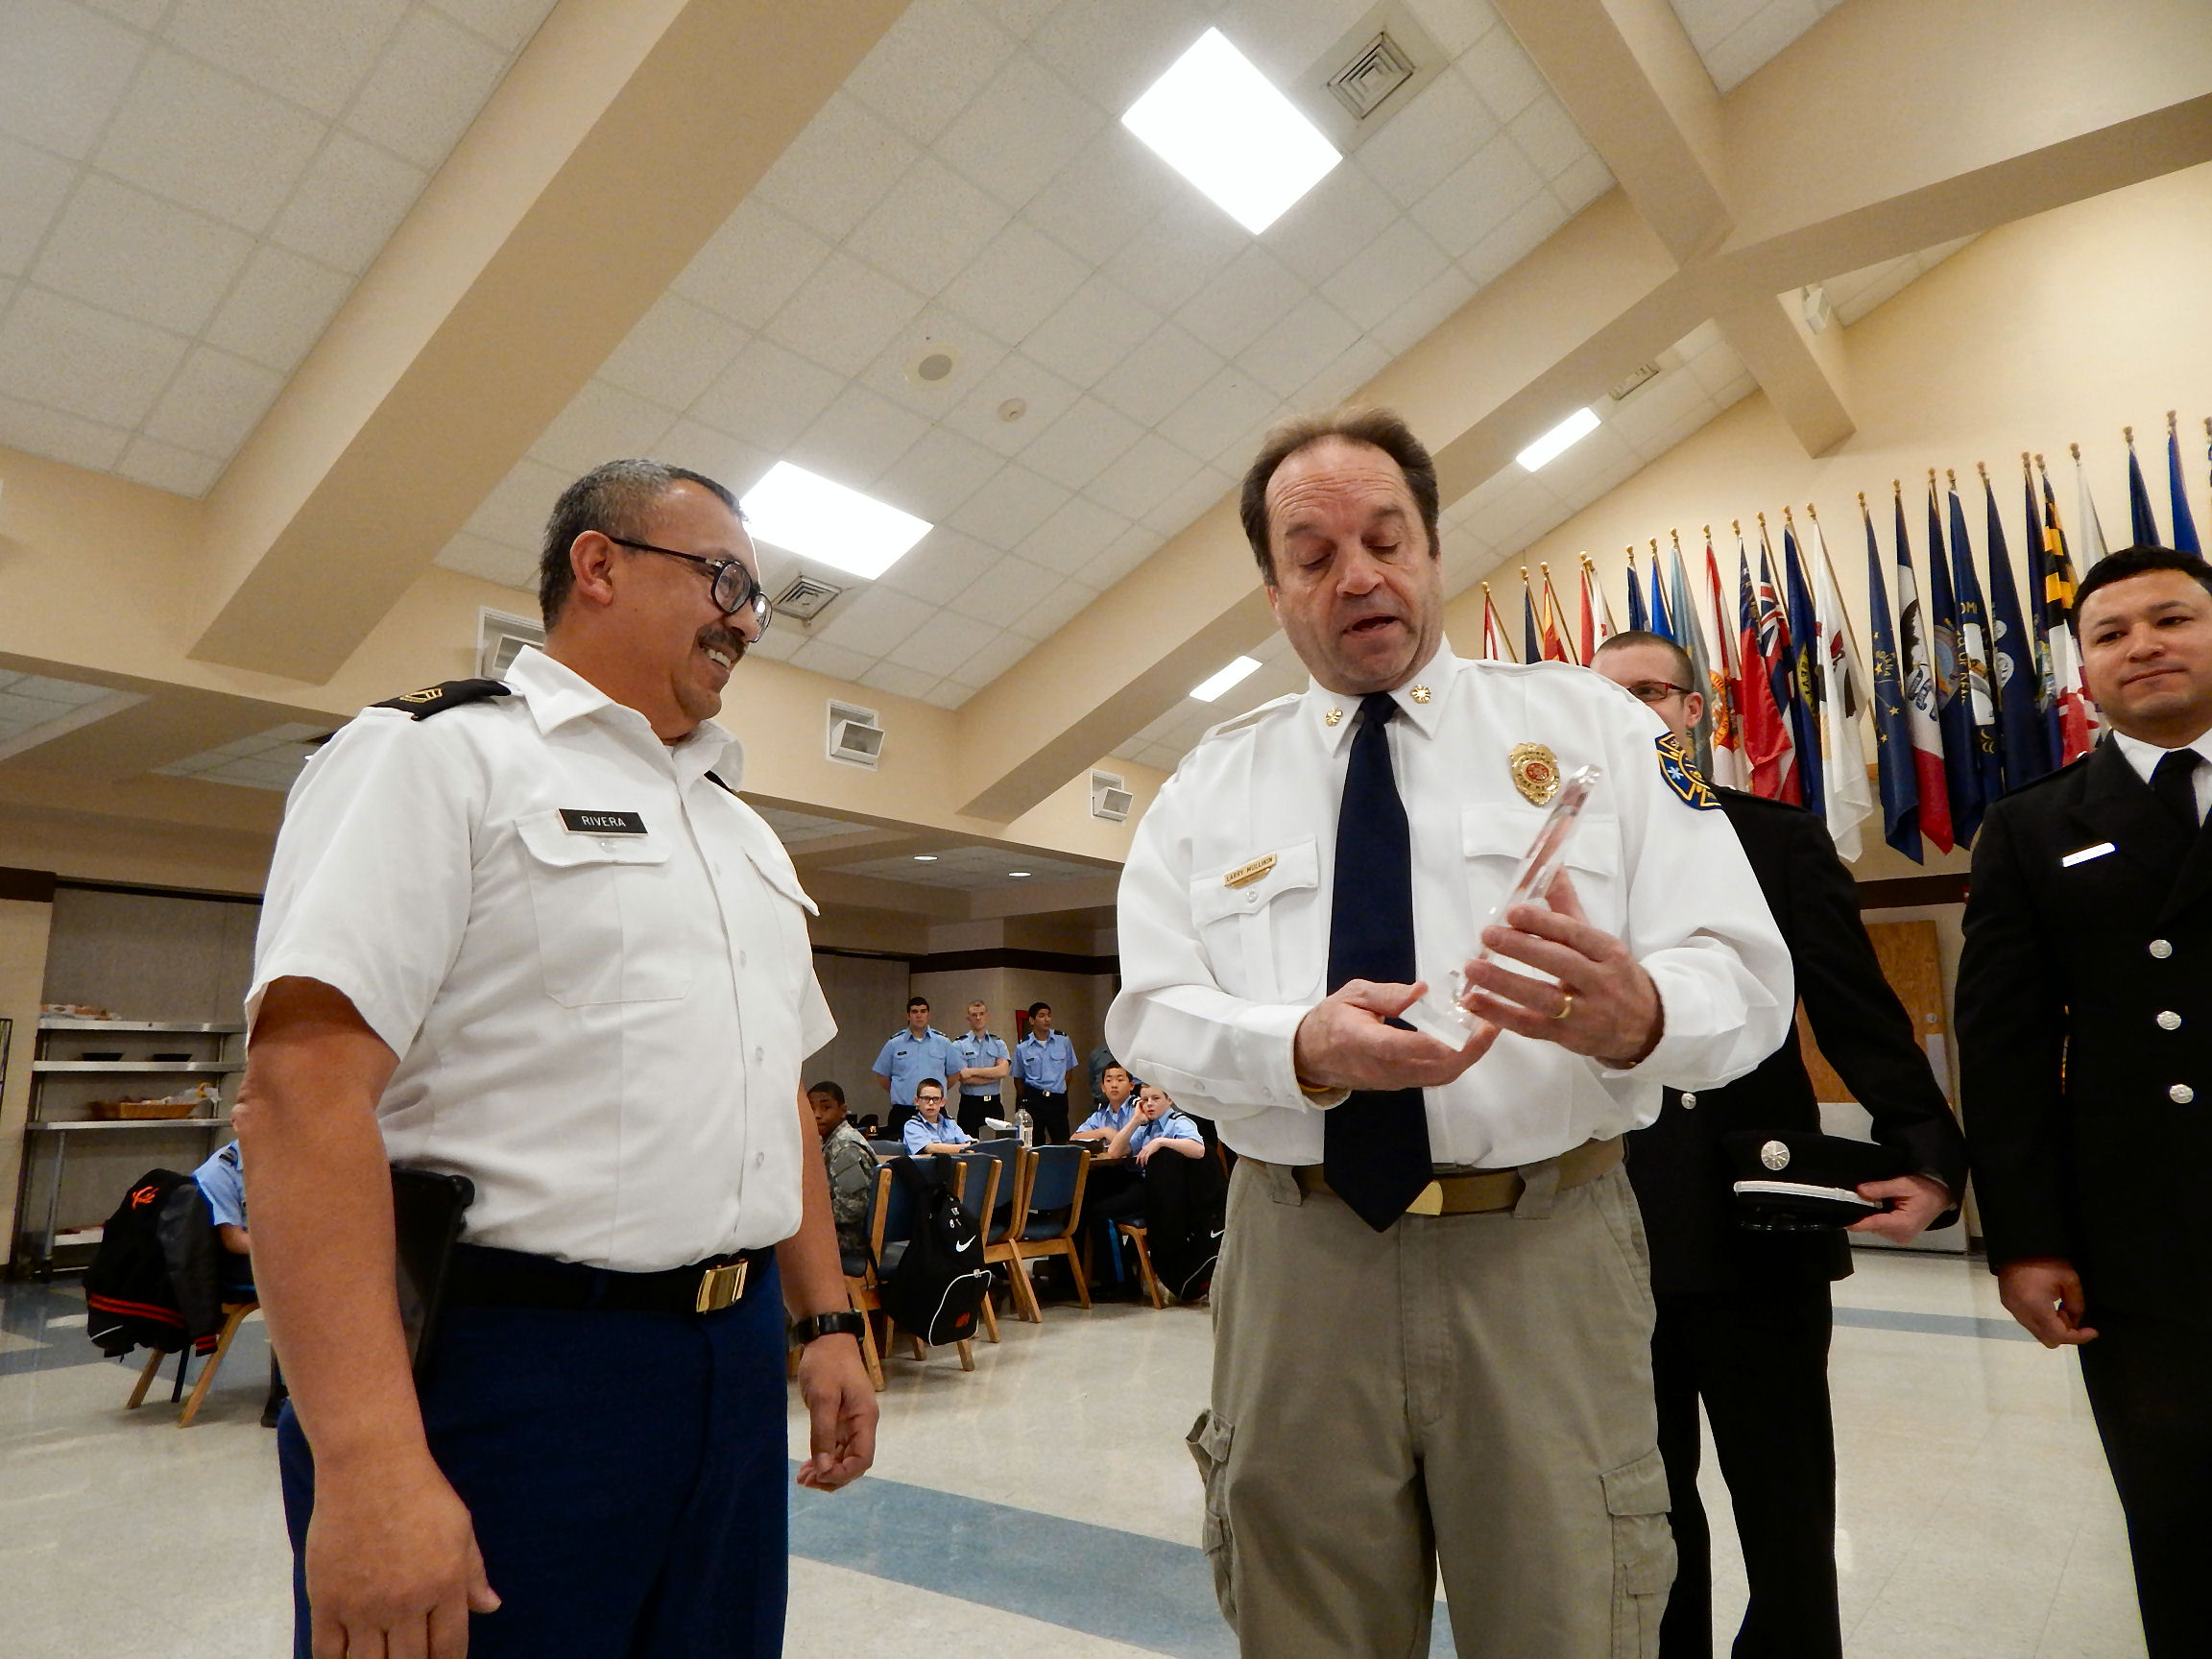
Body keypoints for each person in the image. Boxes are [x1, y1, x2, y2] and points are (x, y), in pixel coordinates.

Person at [1108, 406, 1792, 1657]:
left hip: (1544, 1253)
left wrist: (1641, 1014)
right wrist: (1299, 1048)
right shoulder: (1211, 782)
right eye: (1314, 556)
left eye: (1386, 539)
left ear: (1432, 548)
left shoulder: (1604, 731)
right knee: (1305, 1626)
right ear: (1274, 592)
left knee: (1570, 1616)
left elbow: (1745, 975)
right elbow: (1149, 1014)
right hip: (1298, 1258)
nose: (1357, 575)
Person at [235, 457, 876, 1659]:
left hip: (730, 1362)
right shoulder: (436, 756)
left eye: (755, 598)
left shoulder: (738, 830)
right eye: (725, 580)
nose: (745, 620)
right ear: (598, 566)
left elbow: (775, 1091)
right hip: (510, 1365)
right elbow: (298, 1095)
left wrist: (824, 1318)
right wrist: (366, 1461)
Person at [1593, 630, 1969, 1659]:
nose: (1627, 712)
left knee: (1787, 1501)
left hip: (1753, 1226)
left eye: (1649, 692)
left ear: (1694, 711)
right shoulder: (1552, 857)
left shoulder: (1774, 840)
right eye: (1604, 698)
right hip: (1602, 1236)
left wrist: (1926, 1152)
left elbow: (1858, 1014)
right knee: (1644, 1513)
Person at [1959, 545, 2212, 1659]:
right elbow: (2006, 1052)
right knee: (2182, 1518)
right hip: (2147, 1238)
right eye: (2110, 633)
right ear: (2084, 670)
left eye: (2172, 619)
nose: (2142, 645)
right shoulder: (2034, 825)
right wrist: (2027, 1239)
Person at [189, 1138, 290, 1427]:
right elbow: (234, 1241)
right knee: (297, 1286)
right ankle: (282, 1395)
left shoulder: (287, 1159)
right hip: (231, 1266)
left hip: (269, 1255)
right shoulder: (220, 1171)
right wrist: (287, 1250)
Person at [809, 1082, 878, 1272]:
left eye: (826, 1108)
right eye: (811, 1108)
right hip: (836, 1232)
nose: (817, 1114)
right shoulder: (828, 1140)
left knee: (784, 1242)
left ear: (843, 1111)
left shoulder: (846, 1147)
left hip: (851, 1239)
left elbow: (852, 1208)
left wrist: (809, 1216)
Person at [872, 997, 960, 1137]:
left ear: (928, 1015)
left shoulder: (943, 1042)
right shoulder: (894, 1043)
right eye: (914, 1012)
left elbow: (954, 1074)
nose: (919, 1015)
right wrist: (900, 1090)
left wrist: (935, 1091)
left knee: (937, 1147)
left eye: (923, 1011)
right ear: (908, 1015)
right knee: (900, 1149)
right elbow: (882, 1076)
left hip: (934, 1110)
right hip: (903, 1111)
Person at [1014, 1001, 1078, 1142]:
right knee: (1034, 1143)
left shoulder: (1063, 1040)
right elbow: (1018, 1078)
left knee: (1062, 1141)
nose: (1047, 1019)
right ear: (1032, 1020)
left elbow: (1069, 1071)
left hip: (1057, 1098)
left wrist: (1061, 1089)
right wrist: (1025, 1100)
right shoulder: (1022, 1046)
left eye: (1049, 1015)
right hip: (1034, 1098)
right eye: (1042, 1016)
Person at [948, 1000, 1012, 1136]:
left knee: (997, 1143)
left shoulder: (998, 1043)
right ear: (968, 1018)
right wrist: (993, 1076)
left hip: (993, 1103)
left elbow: (1003, 1071)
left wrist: (972, 1071)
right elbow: (963, 1077)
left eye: (982, 1014)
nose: (978, 1018)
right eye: (974, 1015)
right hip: (970, 1104)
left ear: (987, 1016)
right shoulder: (959, 1044)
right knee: (969, 1143)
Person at [901, 1079, 973, 1156]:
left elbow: (968, 1142)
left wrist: (970, 1145)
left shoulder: (950, 1123)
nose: (931, 1103)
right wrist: (964, 1148)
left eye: (936, 1099)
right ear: (917, 1101)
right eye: (926, 1098)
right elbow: (930, 1148)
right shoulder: (912, 1125)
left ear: (942, 1102)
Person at [1072, 1063, 1139, 1142]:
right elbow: (1074, 1138)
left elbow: (1136, 1144)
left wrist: (1114, 1137)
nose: (1114, 1085)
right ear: (1103, 1087)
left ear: (1131, 1085)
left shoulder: (1139, 1108)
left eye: (1120, 1080)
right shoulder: (1101, 1114)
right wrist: (1103, 1132)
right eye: (1109, 1080)